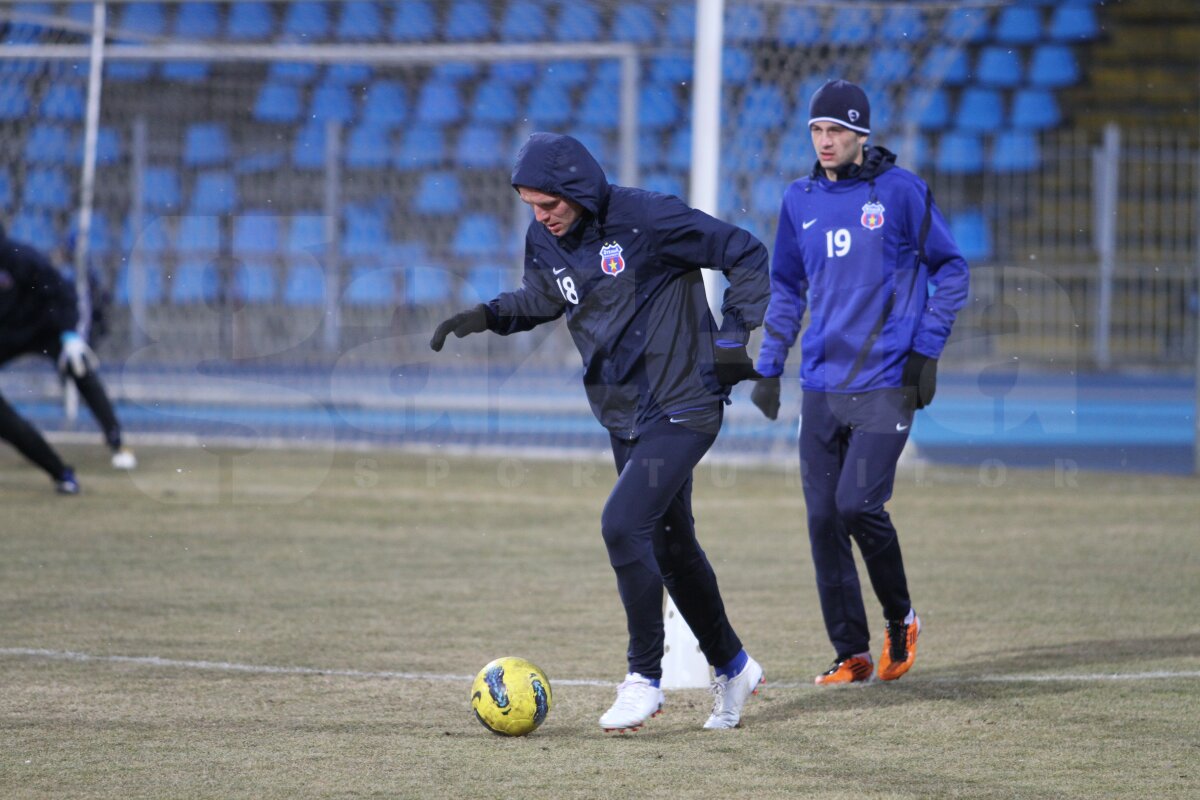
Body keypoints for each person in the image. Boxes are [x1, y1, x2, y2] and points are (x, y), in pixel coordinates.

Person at [430, 132, 770, 731]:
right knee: (671, 546)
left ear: (577, 188)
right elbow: (544, 297)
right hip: (624, 412)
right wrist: (486, 315)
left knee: (621, 524)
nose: (542, 217)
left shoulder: (647, 217)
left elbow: (745, 251)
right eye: (532, 207)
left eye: (550, 204)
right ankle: (735, 667)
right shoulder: (545, 237)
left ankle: (644, 679)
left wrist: (730, 336)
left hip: (685, 402)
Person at [751, 80, 970, 685]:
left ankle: (901, 618)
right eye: (817, 130)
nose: (826, 141)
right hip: (821, 383)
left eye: (838, 131)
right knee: (823, 519)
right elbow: (788, 287)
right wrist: (771, 365)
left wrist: (924, 354)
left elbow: (951, 269)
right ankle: (851, 651)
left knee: (857, 504)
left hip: (884, 382)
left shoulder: (900, 192)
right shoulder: (798, 200)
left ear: (862, 136)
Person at [0, 221, 136, 494]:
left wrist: (69, 334)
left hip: (43, 329)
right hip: (3, 337)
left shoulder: (19, 257)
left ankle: (116, 439)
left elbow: (61, 292)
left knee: (78, 366)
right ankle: (61, 472)